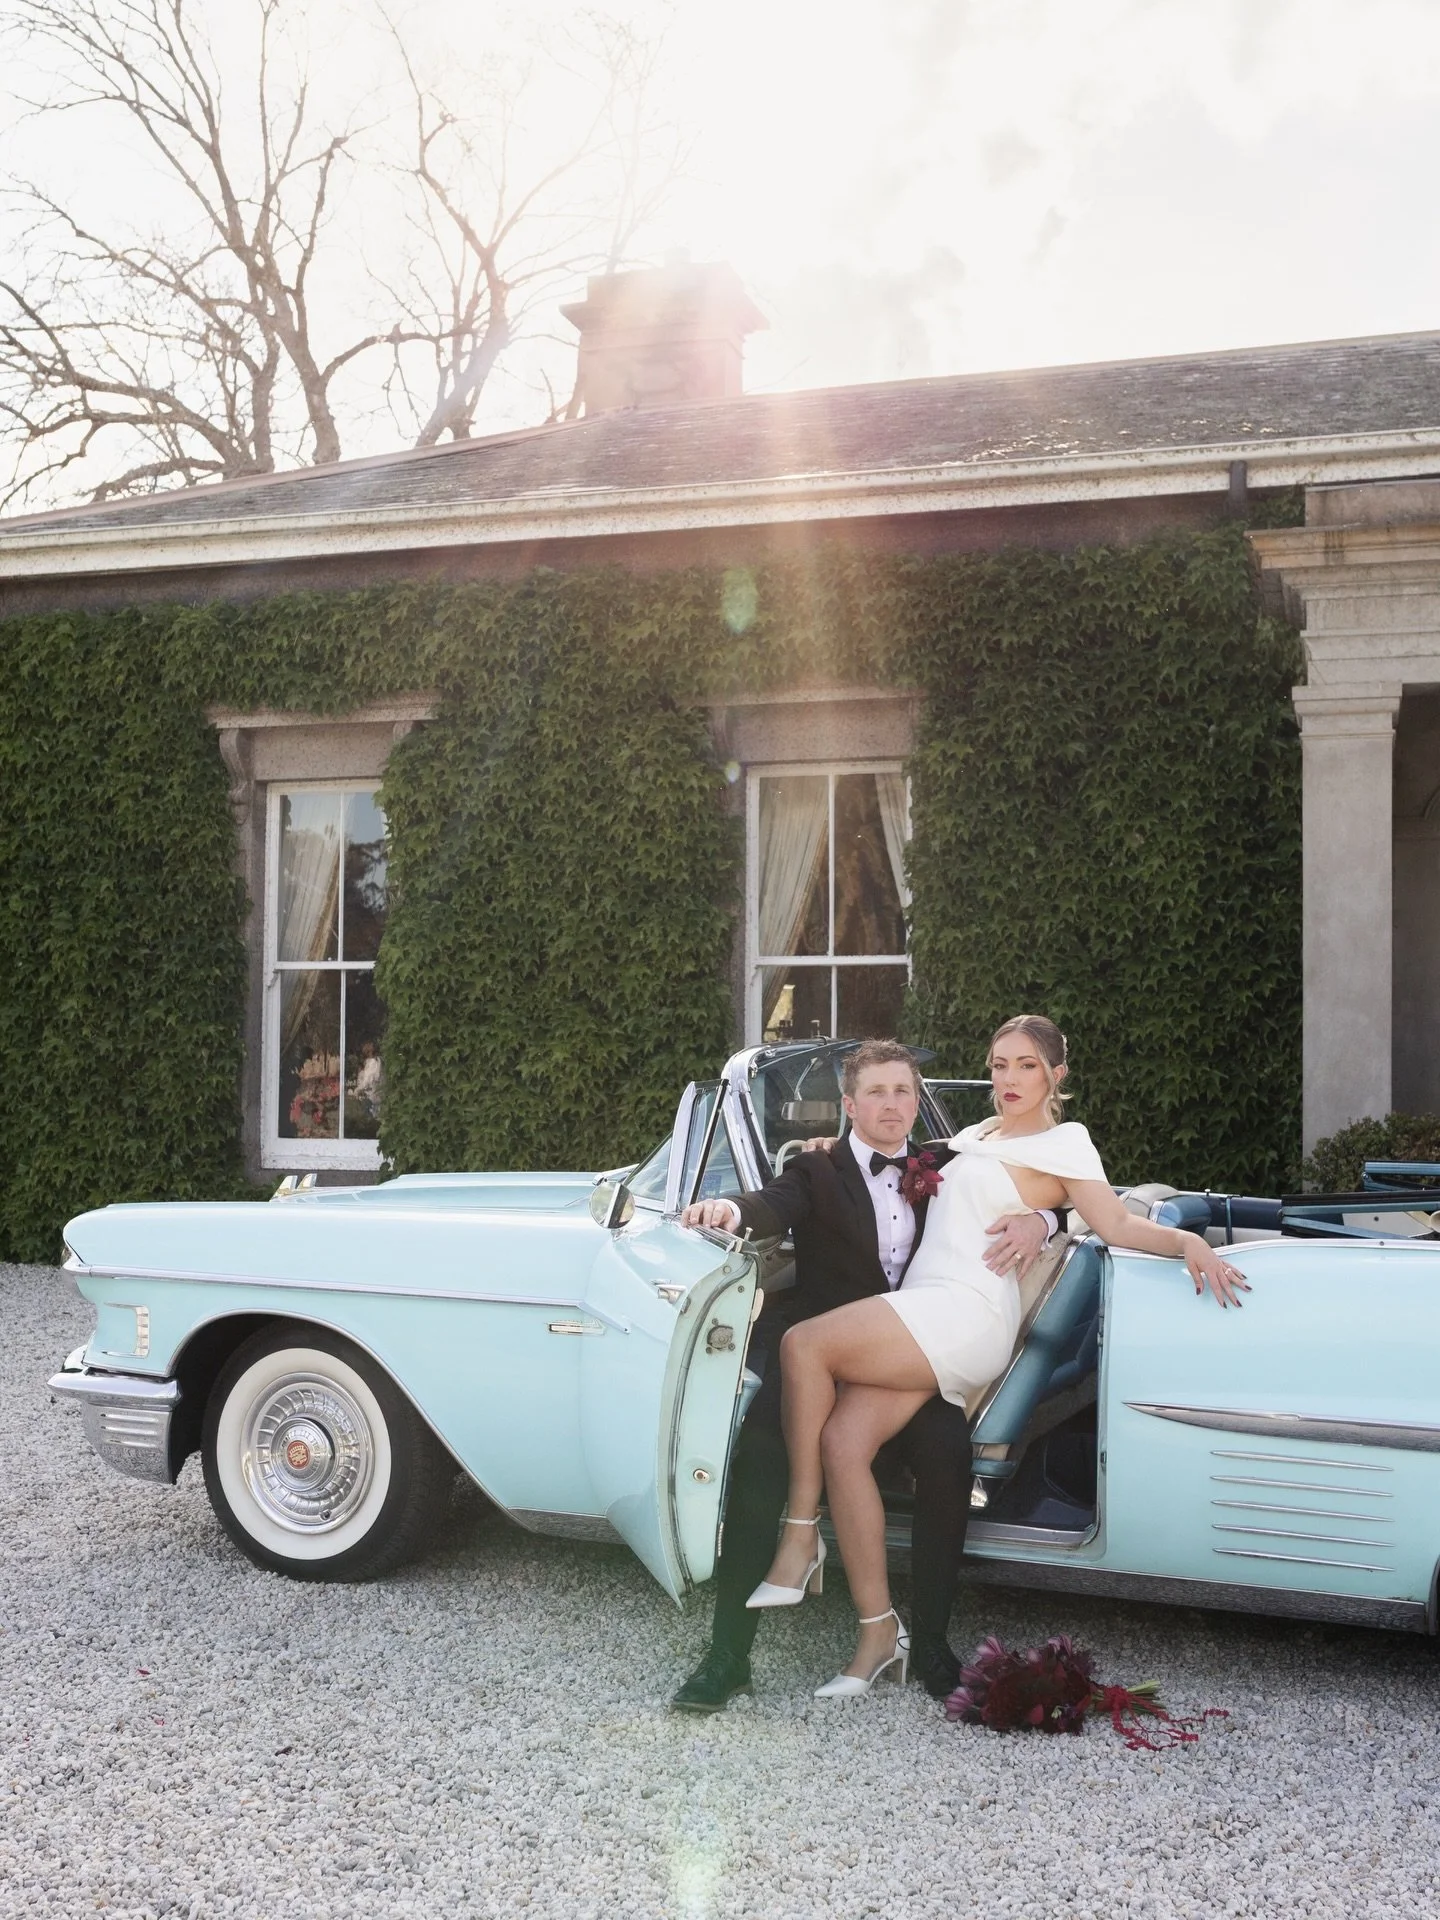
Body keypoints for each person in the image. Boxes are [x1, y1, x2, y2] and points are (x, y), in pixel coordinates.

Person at [754, 1013, 1250, 1701]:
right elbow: (900, 1159)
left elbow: (1113, 1220)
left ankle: (799, 1535)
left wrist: (1187, 1243)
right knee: (842, 1443)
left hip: (966, 1311)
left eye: (1026, 1065)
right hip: (921, 1308)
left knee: (803, 1343)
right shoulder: (974, 1136)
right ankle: (878, 1636)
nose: (1009, 1079)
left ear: (1056, 1074)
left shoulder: (1067, 1142)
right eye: (998, 1065)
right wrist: (831, 1145)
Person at [669, 1039, 1059, 1712]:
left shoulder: (947, 1166)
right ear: (849, 1106)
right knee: (759, 1454)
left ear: (917, 1101)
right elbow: (770, 1203)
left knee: (946, 1450)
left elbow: (1058, 1185)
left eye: (903, 1091)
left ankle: (929, 1644)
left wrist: (1041, 1220)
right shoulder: (816, 1169)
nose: (892, 1105)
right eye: (876, 1092)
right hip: (823, 1359)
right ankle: (727, 1656)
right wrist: (727, 1211)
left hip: (909, 1359)